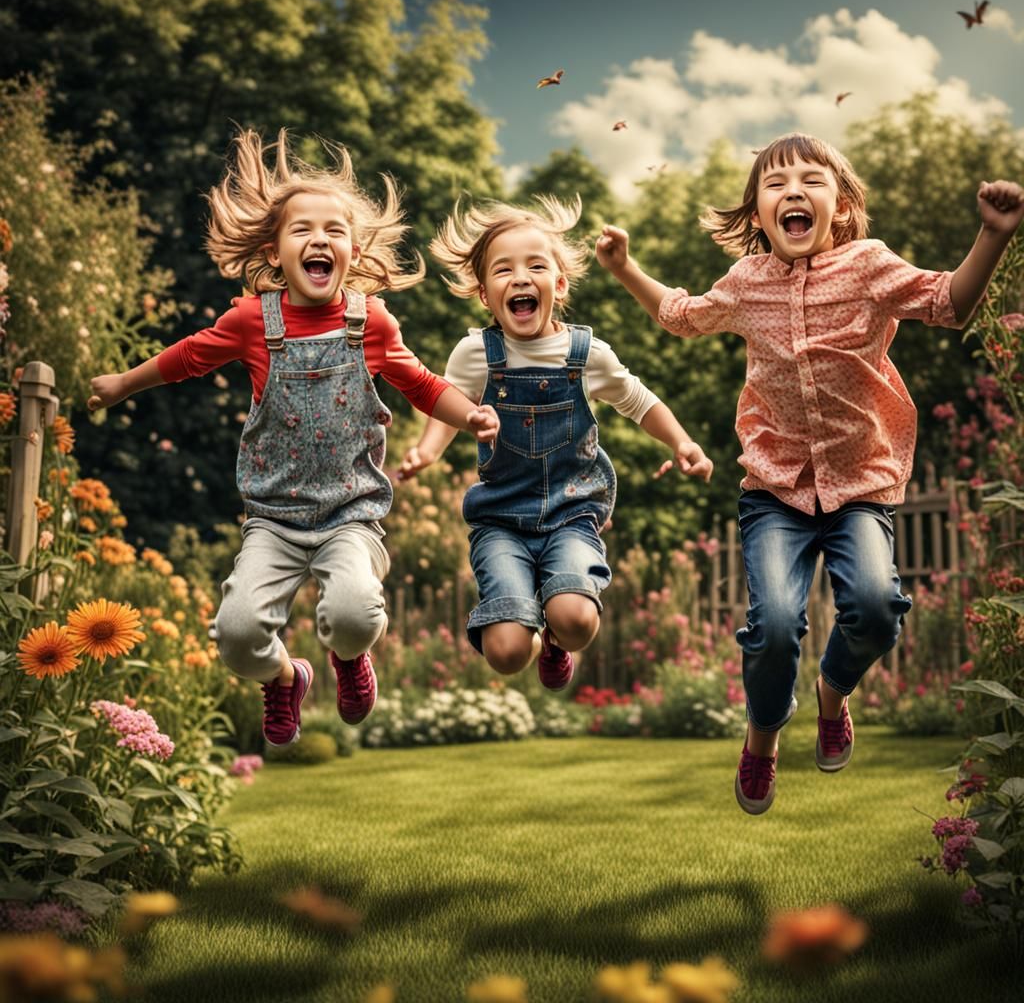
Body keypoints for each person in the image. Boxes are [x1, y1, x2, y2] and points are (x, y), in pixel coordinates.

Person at [596, 131, 1024, 814]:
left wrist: (994, 236)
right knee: (770, 628)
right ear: (758, 217)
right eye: (774, 184)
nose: (793, 191)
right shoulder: (747, 283)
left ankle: (833, 693)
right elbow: (679, 316)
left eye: (811, 181)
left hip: (860, 487)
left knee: (879, 612)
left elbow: (950, 302)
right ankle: (762, 739)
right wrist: (624, 268)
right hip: (774, 491)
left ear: (842, 207)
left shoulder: (870, 267)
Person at [87, 129, 498, 746]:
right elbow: (190, 356)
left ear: (353, 251)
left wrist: (469, 415)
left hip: (350, 515)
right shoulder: (253, 321)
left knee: (355, 615)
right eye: (302, 229)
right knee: (236, 634)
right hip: (274, 520)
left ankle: (348, 657)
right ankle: (285, 677)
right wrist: (124, 382)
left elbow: (421, 383)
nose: (319, 239)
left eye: (334, 230)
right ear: (276, 252)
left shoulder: (372, 321)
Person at [399, 195, 712, 690]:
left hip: (570, 514)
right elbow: (444, 402)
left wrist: (682, 442)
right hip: (501, 519)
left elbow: (639, 400)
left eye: (535, 266)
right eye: (504, 270)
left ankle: (558, 638)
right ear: (485, 294)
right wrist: (427, 450)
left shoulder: (586, 355)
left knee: (576, 620)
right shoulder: (476, 354)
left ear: (559, 285)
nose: (520, 278)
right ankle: (531, 634)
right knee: (504, 654)